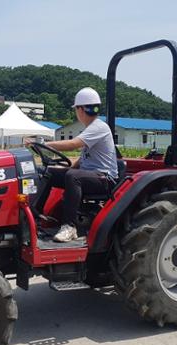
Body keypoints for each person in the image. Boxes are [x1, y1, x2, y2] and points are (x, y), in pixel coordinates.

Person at [30, 87, 118, 243]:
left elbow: (73, 144)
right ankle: (33, 216)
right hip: (90, 176)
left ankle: (69, 227)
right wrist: (65, 170)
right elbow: (83, 159)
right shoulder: (91, 128)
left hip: (105, 179)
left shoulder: (99, 127)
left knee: (73, 177)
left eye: (76, 109)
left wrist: (44, 144)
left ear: (81, 109)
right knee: (46, 172)